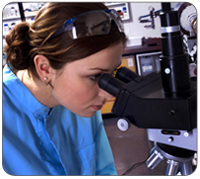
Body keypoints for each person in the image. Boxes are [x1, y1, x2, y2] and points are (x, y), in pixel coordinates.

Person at [3, 2, 127, 175]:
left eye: (112, 73)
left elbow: (104, 170)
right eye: (94, 76)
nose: (108, 93)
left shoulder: (83, 103)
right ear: (45, 68)